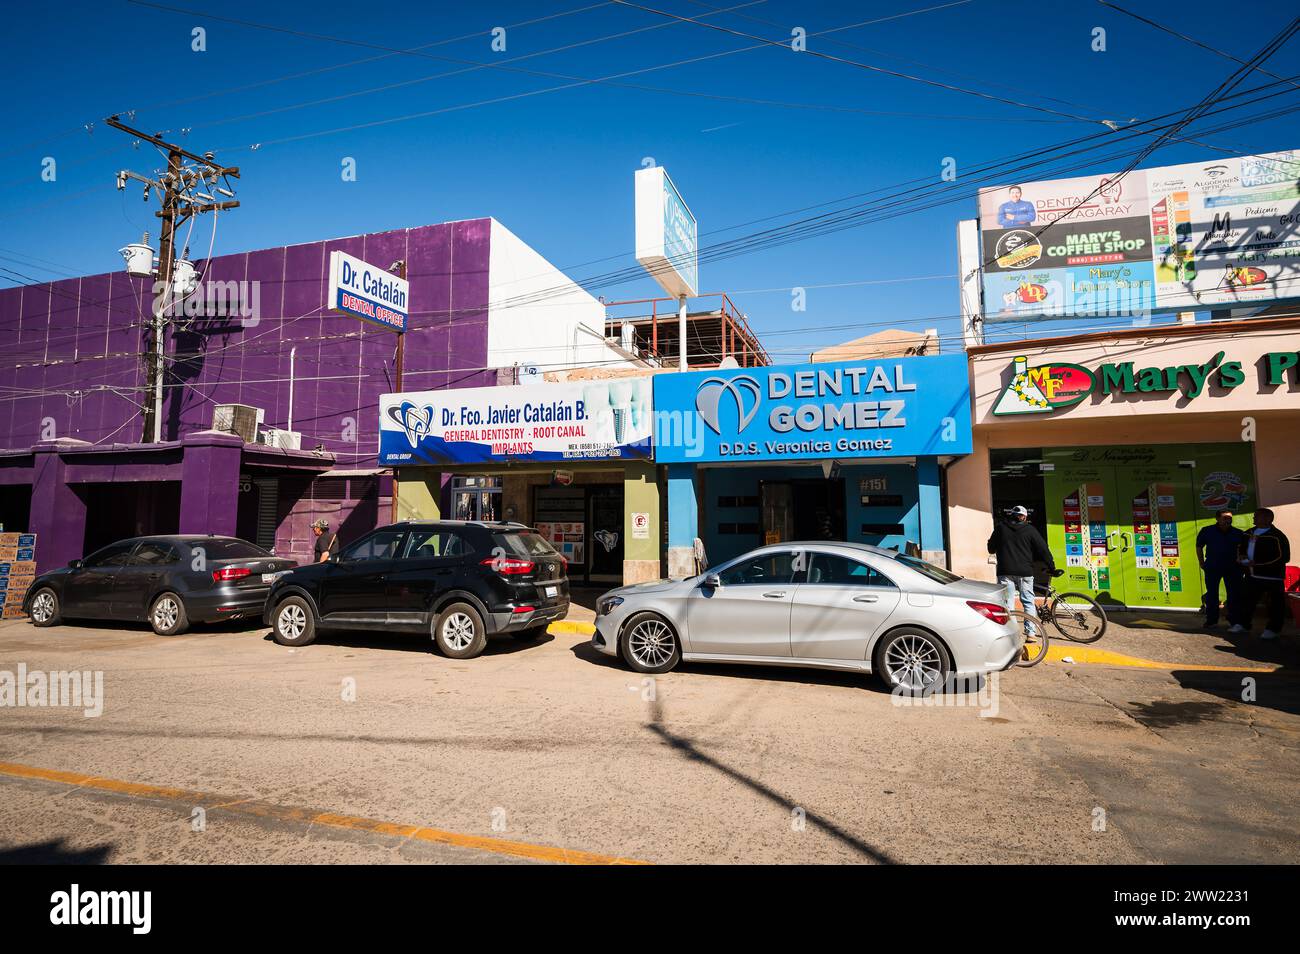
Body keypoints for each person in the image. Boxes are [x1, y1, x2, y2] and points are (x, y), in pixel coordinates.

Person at [988, 505, 1055, 623]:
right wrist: (1051, 566)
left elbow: (991, 549)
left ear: (1011, 515)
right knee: (1028, 601)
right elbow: (1043, 549)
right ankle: (1031, 633)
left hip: (1005, 571)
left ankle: (1012, 632)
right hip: (1025, 571)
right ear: (1024, 517)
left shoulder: (1001, 528)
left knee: (1008, 603)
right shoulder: (1030, 530)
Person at [1238, 508, 1290, 640]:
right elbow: (1241, 548)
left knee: (1275, 604)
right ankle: (1244, 625)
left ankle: (1273, 629)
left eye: (1257, 516)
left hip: (1272, 577)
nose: (1254, 518)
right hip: (1251, 575)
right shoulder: (1248, 533)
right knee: (1247, 601)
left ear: (1268, 519)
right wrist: (1241, 557)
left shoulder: (1277, 536)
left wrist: (1258, 564)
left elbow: (1283, 557)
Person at [1196, 510, 1247, 630]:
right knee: (1212, 594)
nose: (1228, 520)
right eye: (1225, 518)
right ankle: (1212, 621)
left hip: (1233, 568)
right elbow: (1199, 546)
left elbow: (1244, 550)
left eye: (1230, 518)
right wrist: (1201, 562)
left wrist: (1243, 564)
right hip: (1213, 566)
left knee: (1234, 594)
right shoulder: (1207, 531)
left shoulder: (1238, 533)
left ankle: (1235, 621)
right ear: (1217, 519)